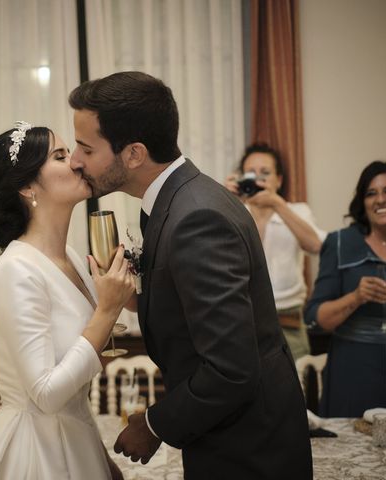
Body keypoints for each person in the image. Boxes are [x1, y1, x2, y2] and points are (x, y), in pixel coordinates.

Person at [69, 72, 312, 479]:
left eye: (86, 148)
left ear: (133, 154)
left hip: (250, 452)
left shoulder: (196, 218)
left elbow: (231, 368)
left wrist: (154, 425)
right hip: (233, 435)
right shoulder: (179, 199)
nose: (76, 160)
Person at [0, 122, 134, 479]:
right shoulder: (17, 268)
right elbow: (46, 395)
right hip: (34, 453)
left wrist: (101, 458)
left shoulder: (69, 258)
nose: (78, 162)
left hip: (77, 442)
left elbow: (74, 400)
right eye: (61, 156)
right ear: (27, 186)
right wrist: (108, 308)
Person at [224, 143, 325, 361]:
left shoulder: (297, 211)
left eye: (265, 173)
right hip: (242, 326)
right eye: (250, 173)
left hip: (289, 326)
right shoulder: (234, 213)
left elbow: (316, 246)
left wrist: (277, 205)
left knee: (295, 392)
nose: (257, 179)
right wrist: (226, 202)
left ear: (279, 180)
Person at [305, 160, 386, 417]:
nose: (380, 199)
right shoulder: (340, 243)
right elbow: (315, 317)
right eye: (371, 193)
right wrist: (356, 296)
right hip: (355, 369)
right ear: (362, 201)